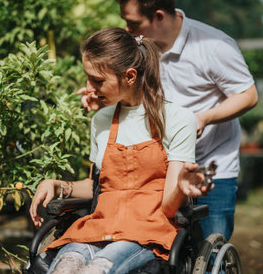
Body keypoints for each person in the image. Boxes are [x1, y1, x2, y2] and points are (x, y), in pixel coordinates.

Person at [78, 0, 258, 242]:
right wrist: (102, 98)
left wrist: (204, 118)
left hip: (207, 165)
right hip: (154, 171)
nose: (127, 30)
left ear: (158, 16)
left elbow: (248, 95)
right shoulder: (139, 51)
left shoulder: (213, 46)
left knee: (207, 250)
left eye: (133, 23)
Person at [30, 27, 210, 274]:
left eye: (98, 80)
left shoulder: (178, 119)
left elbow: (168, 208)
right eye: (88, 78)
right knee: (63, 268)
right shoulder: (101, 120)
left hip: (144, 232)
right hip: (99, 226)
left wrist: (181, 187)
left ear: (130, 76)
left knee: (95, 270)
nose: (90, 88)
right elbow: (101, 186)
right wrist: (60, 185)